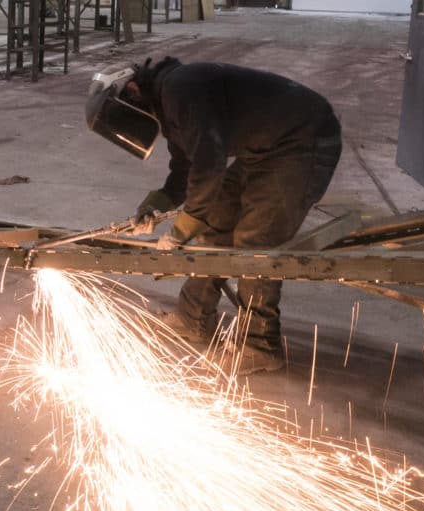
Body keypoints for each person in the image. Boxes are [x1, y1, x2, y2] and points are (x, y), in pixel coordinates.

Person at [86, 57, 342, 374]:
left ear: (133, 91)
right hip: (267, 147)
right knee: (217, 215)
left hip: (304, 141)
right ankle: (193, 318)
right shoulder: (169, 101)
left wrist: (180, 231)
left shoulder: (180, 90)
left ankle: (260, 345)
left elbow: (208, 166)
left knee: (256, 241)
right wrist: (157, 203)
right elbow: (185, 167)